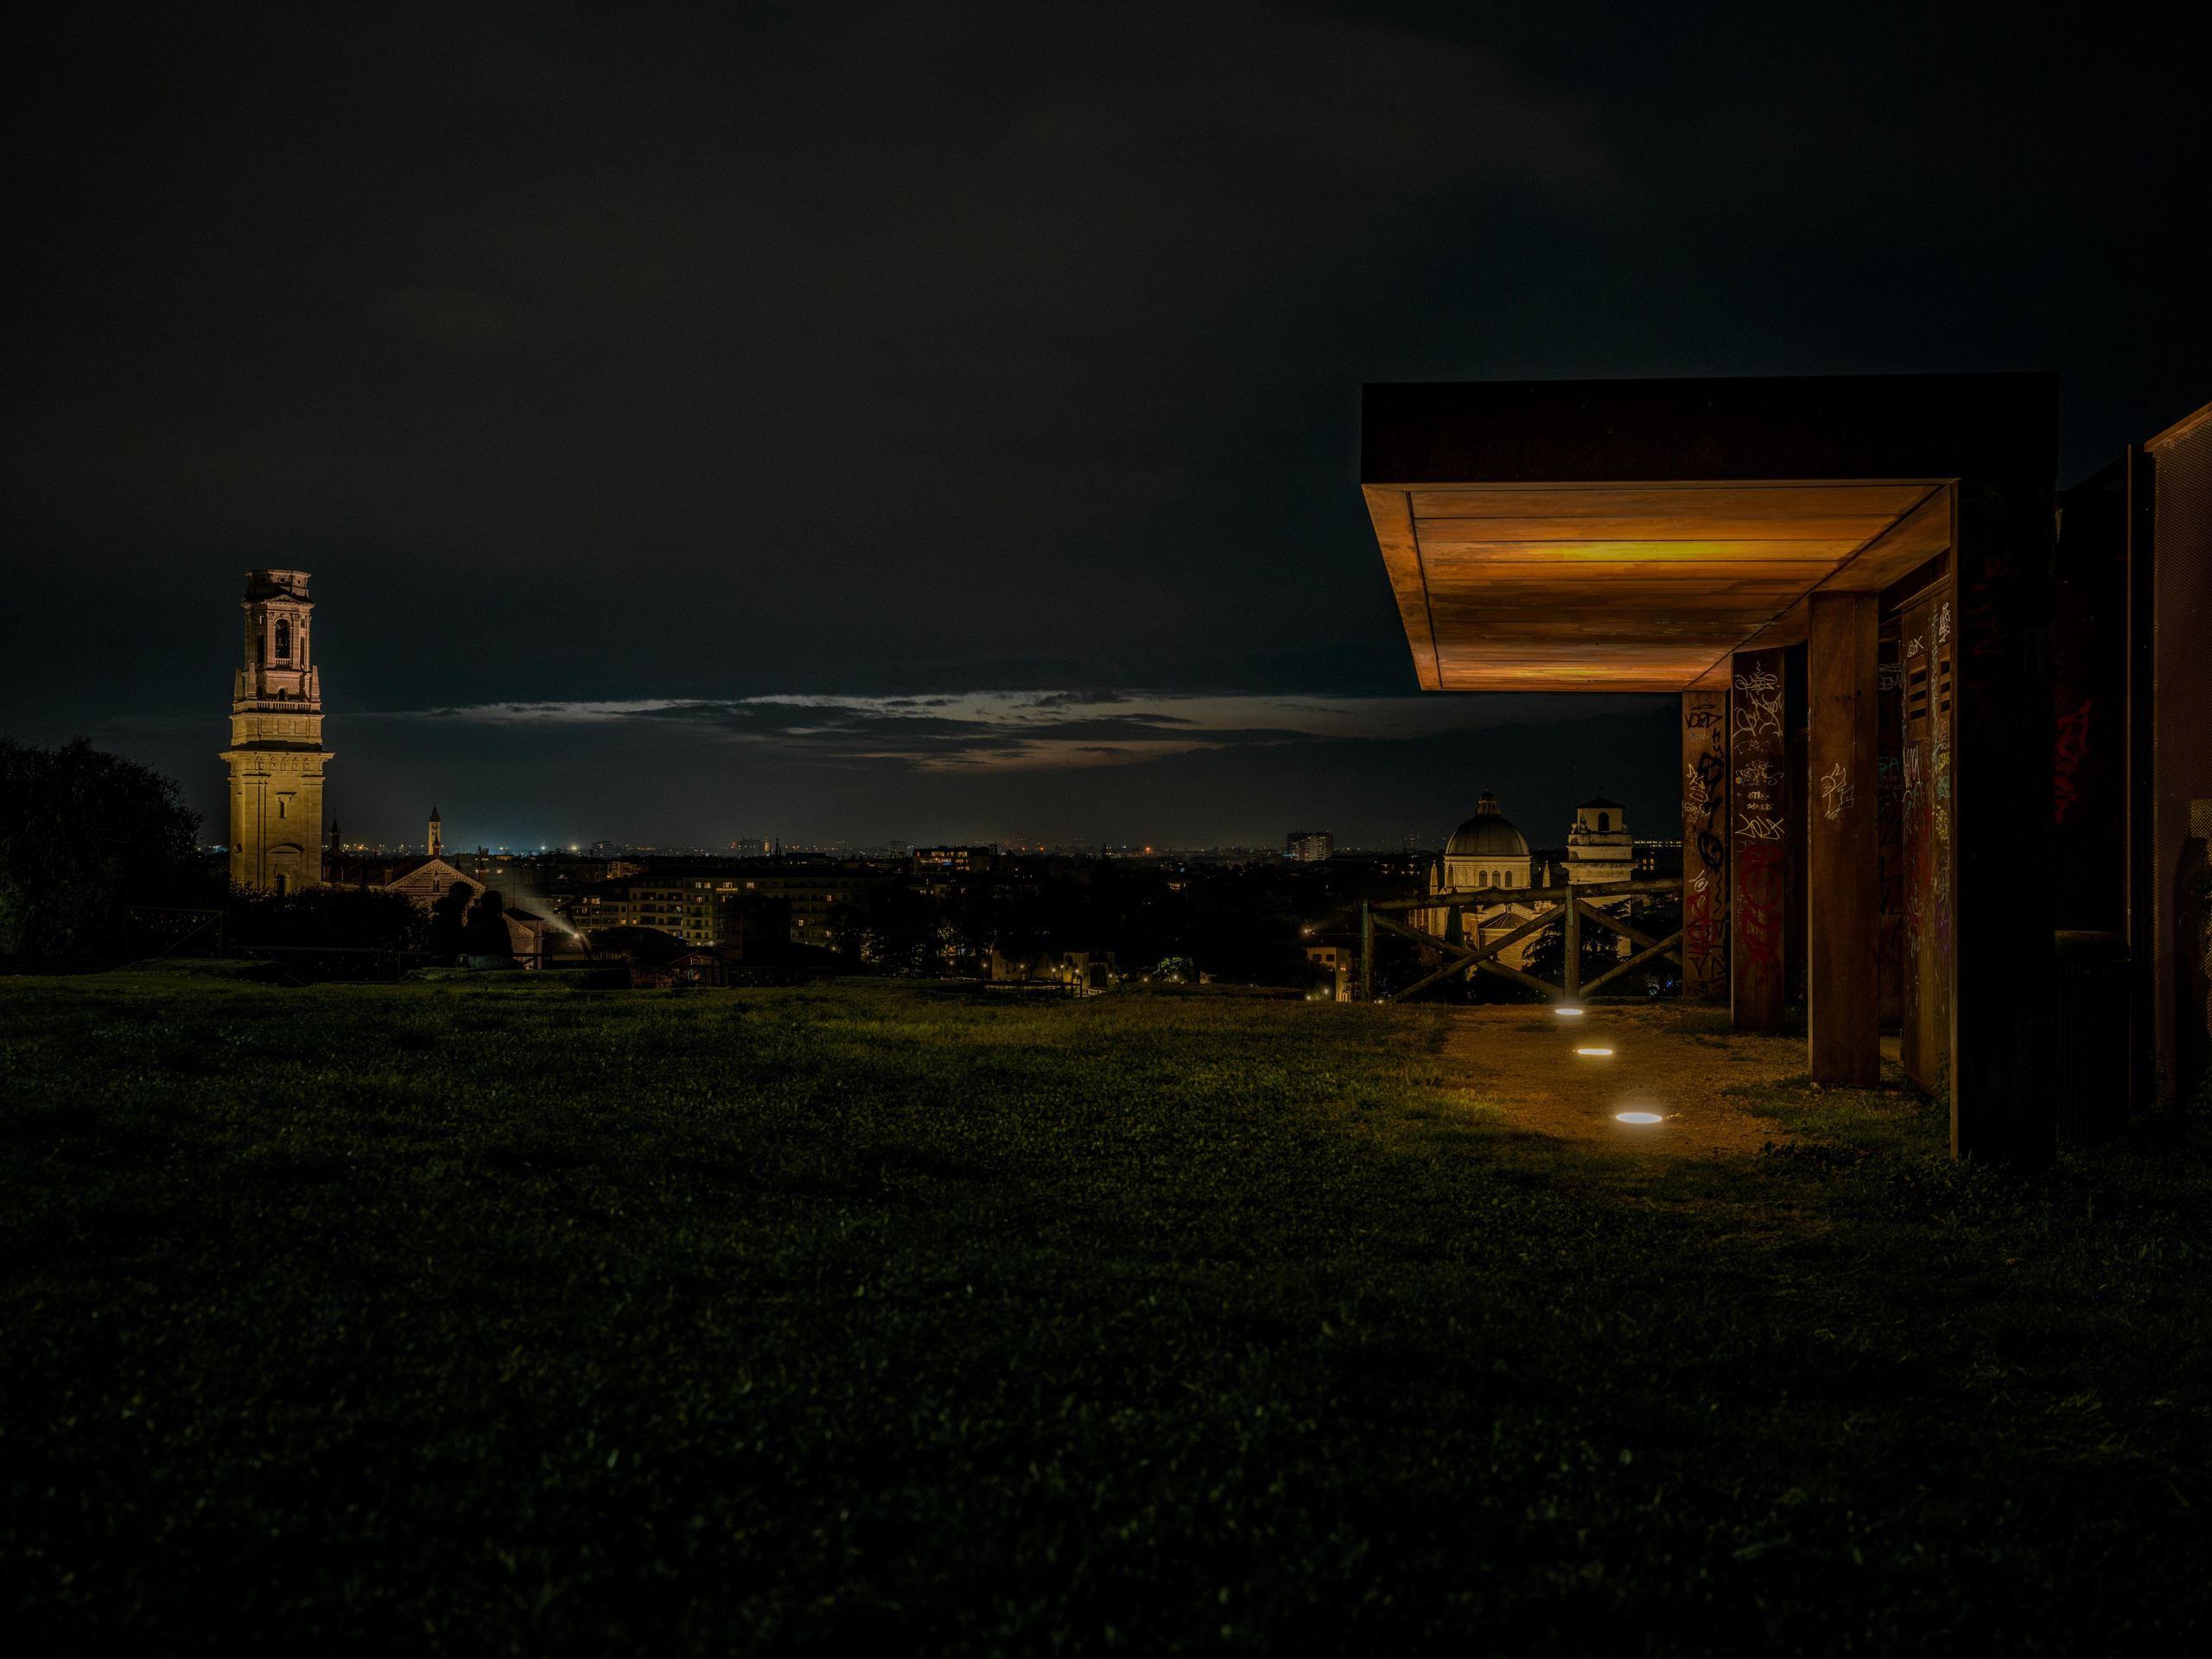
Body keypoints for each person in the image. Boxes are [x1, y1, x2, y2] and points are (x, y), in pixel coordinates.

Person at [459, 887, 518, 969]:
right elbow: (505, 944)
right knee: (518, 966)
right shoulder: (497, 921)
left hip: (470, 960)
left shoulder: (474, 918)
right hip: (487, 959)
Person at [424, 884, 473, 967]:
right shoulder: (451, 911)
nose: (468, 900)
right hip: (446, 956)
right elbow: (456, 936)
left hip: (437, 954)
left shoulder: (444, 909)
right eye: (467, 897)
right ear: (461, 897)